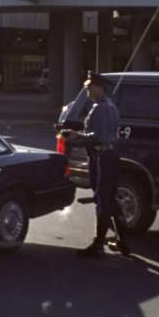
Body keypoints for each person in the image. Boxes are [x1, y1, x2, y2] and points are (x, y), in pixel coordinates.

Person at [60, 72, 130, 257]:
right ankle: (123, 241)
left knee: (102, 200)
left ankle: (98, 244)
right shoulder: (111, 106)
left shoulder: (99, 108)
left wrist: (76, 136)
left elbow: (98, 137)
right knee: (110, 199)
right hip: (111, 156)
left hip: (102, 157)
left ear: (100, 88)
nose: (88, 91)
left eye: (90, 87)